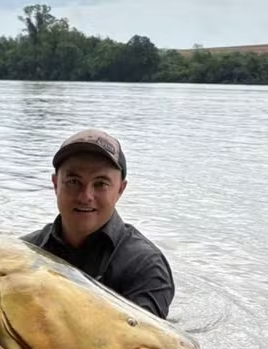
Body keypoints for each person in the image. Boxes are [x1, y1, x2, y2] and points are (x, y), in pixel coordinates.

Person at [20, 128, 175, 319]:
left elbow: (145, 343)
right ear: (55, 184)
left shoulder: (146, 266)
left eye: (100, 184)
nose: (85, 196)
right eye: (74, 181)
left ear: (120, 189)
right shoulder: (24, 252)